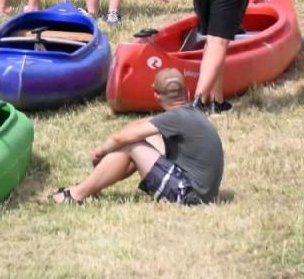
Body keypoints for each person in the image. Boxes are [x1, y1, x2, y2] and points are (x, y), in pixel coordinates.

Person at [52, 66, 223, 206]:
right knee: (141, 140)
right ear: (186, 92)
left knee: (131, 146)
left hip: (189, 197)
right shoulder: (190, 113)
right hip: (201, 193)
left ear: (156, 95)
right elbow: (139, 127)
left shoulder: (175, 117)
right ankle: (91, 187)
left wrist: (100, 151)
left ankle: (76, 195)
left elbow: (121, 138)